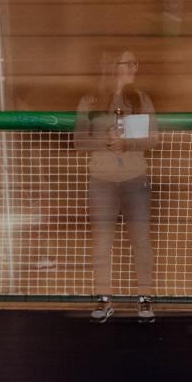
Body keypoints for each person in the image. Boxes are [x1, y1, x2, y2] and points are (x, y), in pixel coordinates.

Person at [75, 49, 158, 323]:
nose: (135, 67)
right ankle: (103, 297)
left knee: (141, 241)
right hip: (102, 181)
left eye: (136, 62)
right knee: (102, 241)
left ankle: (145, 298)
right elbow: (79, 141)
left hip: (135, 179)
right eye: (129, 62)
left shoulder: (141, 98)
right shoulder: (90, 100)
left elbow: (153, 139)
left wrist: (128, 143)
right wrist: (106, 142)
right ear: (113, 67)